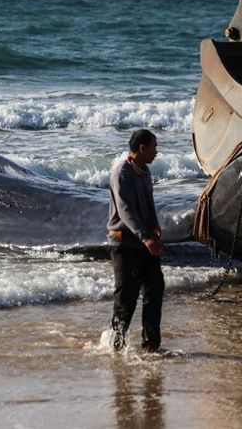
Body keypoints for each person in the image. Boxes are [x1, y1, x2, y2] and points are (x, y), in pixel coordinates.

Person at [107, 129, 164, 352]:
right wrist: (145, 237)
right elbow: (125, 210)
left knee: (155, 289)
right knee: (126, 298)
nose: (156, 151)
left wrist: (155, 228)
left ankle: (151, 346)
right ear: (142, 148)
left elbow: (148, 204)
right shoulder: (121, 172)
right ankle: (116, 346)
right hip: (124, 243)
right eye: (154, 146)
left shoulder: (145, 171)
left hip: (145, 240)